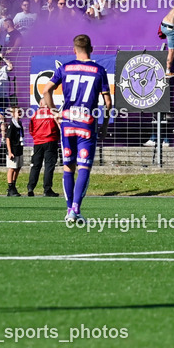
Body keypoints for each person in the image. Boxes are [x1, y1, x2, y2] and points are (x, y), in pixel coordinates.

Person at [41, 34, 111, 225]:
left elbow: (46, 90)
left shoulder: (64, 68)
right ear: (92, 49)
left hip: (67, 122)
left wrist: (55, 113)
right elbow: (107, 102)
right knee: (84, 167)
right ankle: (76, 209)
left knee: (68, 167)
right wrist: (104, 125)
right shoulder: (99, 70)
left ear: (74, 50)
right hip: (86, 122)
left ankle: (68, 210)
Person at [27, 98, 60, 197]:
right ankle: (47, 189)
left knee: (36, 165)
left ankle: (30, 187)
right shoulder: (53, 113)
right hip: (50, 141)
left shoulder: (35, 114)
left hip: (38, 142)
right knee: (49, 166)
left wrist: (36, 137)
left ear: (40, 103)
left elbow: (31, 129)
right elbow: (59, 127)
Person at [2, 105, 24, 197]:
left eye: (20, 111)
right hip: (13, 150)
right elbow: (8, 139)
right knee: (12, 168)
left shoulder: (19, 124)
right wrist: (10, 152)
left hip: (19, 148)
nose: (19, 113)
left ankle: (14, 185)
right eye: (18, 112)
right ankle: (10, 187)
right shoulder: (12, 125)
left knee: (18, 168)